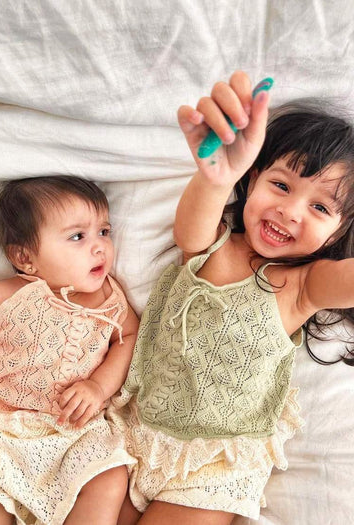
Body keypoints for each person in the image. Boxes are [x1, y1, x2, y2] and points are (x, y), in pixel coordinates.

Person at [108, 70, 354, 525]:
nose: (289, 210)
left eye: (320, 207)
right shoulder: (212, 243)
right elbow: (193, 225)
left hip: (217, 462)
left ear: (337, 233)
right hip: (136, 432)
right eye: (281, 185)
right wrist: (219, 176)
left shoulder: (304, 285)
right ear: (253, 178)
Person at [0, 176, 139, 525]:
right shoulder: (2, 296)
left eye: (104, 231)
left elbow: (128, 338)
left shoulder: (112, 301)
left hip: (71, 433)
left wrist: (98, 386)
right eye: (77, 236)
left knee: (109, 477)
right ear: (25, 258)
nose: (100, 247)